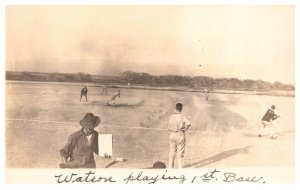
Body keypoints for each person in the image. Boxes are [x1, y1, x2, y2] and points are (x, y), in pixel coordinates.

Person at [168, 103, 191, 168]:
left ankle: (170, 168)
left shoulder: (171, 117)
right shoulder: (182, 116)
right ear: (181, 109)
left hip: (172, 134)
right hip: (180, 134)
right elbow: (189, 124)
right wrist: (185, 130)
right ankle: (180, 168)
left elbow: (169, 128)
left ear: (175, 108)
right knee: (180, 152)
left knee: (171, 152)